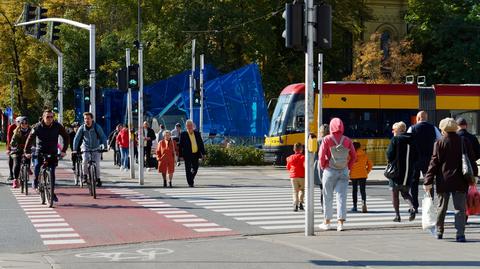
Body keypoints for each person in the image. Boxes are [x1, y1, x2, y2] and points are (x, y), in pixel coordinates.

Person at [423, 118, 478, 242]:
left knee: (441, 207)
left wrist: (428, 181)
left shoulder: (439, 143)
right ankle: (460, 234)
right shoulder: (464, 141)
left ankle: (440, 231)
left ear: (443, 129)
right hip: (461, 180)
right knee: (460, 208)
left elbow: (434, 163)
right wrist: (474, 175)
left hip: (443, 180)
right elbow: (471, 160)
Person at [318, 118, 356, 232]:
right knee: (341, 197)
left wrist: (324, 166)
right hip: (343, 171)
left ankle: (327, 222)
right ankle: (340, 224)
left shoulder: (327, 139)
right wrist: (348, 167)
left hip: (330, 171)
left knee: (327, 196)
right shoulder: (347, 140)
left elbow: (321, 156)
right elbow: (354, 157)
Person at [24, 109, 69, 202]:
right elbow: (30, 138)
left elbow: (66, 137)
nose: (49, 119)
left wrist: (64, 150)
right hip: (40, 151)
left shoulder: (57, 126)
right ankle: (36, 181)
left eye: (51, 117)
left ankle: (51, 193)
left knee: (52, 172)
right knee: (37, 165)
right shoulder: (37, 126)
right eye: (47, 117)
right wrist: (26, 151)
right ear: (43, 117)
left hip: (52, 152)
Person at [407, 111, 441, 212]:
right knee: (429, 182)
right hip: (429, 160)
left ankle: (415, 206)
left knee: (414, 183)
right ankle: (430, 205)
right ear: (426, 118)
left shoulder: (411, 128)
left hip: (415, 160)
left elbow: (407, 143)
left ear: (417, 118)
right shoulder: (433, 128)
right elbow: (439, 140)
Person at [387, 121, 417, 222]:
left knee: (394, 194)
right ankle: (413, 207)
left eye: (394, 129)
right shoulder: (413, 139)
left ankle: (397, 216)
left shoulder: (395, 139)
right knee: (405, 193)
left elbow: (389, 154)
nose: (392, 131)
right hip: (408, 172)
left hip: (396, 172)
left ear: (399, 130)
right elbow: (417, 156)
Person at [73, 112, 108, 187]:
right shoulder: (82, 128)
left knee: (97, 164)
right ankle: (85, 176)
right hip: (85, 147)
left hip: (96, 147)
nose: (86, 120)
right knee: (85, 160)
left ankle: (98, 179)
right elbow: (77, 138)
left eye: (88, 118)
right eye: (85, 119)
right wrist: (75, 149)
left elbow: (103, 136)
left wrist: (105, 147)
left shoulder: (96, 127)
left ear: (92, 119)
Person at [178, 120, 205, 187]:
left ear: (193, 126)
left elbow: (201, 144)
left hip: (196, 154)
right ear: (186, 126)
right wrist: (180, 155)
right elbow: (180, 146)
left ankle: (190, 178)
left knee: (195, 168)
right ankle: (190, 183)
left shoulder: (197, 133)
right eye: (188, 125)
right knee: (188, 169)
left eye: (190, 125)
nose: (189, 126)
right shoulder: (183, 134)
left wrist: (203, 153)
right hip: (187, 154)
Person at [349, 142, 373, 213]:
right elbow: (370, 164)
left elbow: (348, 165)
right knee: (363, 190)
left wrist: (349, 173)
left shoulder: (350, 155)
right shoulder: (364, 154)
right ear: (360, 147)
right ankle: (363, 203)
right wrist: (366, 171)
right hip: (363, 175)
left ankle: (355, 206)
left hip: (353, 175)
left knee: (354, 190)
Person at [10, 118, 31, 188]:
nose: (24, 125)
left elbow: (34, 140)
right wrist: (14, 145)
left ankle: (28, 168)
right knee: (17, 163)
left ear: (28, 124)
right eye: (22, 123)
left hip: (27, 149)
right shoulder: (17, 131)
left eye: (26, 123)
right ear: (20, 124)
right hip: (17, 150)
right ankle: (15, 180)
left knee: (29, 156)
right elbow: (12, 142)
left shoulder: (31, 131)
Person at [286, 143, 305, 212]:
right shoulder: (303, 157)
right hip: (302, 176)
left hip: (293, 176)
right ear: (301, 149)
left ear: (294, 149)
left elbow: (288, 167)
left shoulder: (289, 158)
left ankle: (295, 204)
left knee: (295, 191)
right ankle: (301, 202)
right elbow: (305, 166)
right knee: (302, 190)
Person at [314, 124, 329, 212]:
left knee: (322, 188)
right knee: (328, 188)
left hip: (319, 165)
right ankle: (326, 205)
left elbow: (314, 155)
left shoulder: (317, 141)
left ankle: (323, 206)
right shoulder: (330, 140)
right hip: (329, 165)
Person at [6, 117, 21, 181]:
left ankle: (27, 169)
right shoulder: (12, 127)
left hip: (22, 144)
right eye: (18, 122)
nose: (20, 123)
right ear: (15, 122)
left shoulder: (25, 126)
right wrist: (9, 148)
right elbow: (9, 137)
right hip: (12, 143)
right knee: (11, 157)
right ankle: (11, 173)